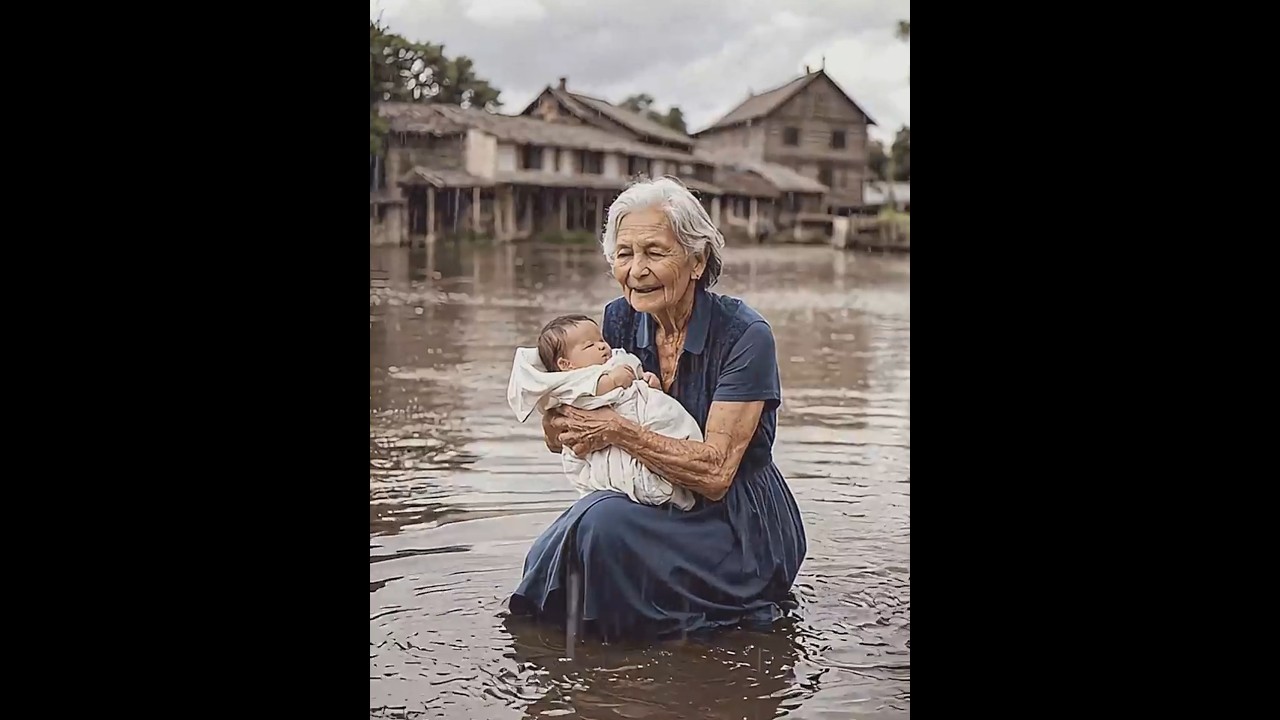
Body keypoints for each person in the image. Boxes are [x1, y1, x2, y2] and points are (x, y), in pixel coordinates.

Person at [508, 176, 807, 641]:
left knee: (599, 524)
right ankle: (568, 651)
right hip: (652, 498)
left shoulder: (746, 335)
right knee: (566, 538)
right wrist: (560, 423)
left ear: (697, 261)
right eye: (624, 254)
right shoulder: (618, 319)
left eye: (654, 252)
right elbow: (574, 424)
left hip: (737, 523)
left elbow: (715, 473)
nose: (636, 269)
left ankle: (614, 653)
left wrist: (617, 431)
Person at [506, 313, 700, 510]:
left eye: (601, 340)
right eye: (590, 345)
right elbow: (586, 399)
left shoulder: (614, 359)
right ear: (565, 364)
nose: (602, 346)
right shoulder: (571, 383)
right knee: (608, 484)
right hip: (611, 448)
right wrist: (613, 380)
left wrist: (648, 381)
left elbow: (636, 380)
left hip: (653, 435)